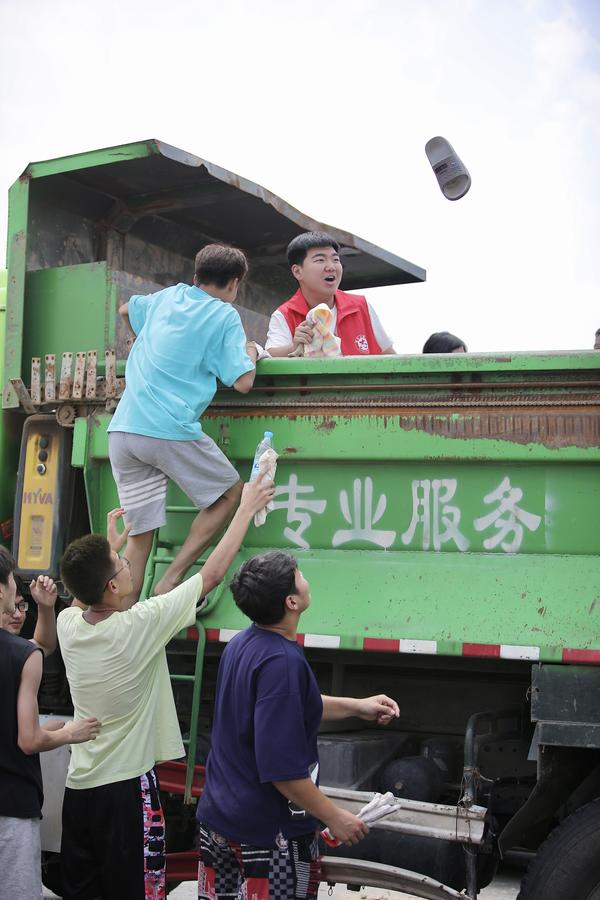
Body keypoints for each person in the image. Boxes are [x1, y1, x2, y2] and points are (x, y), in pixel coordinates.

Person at [56, 473, 274, 900]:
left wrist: (109, 551)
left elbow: (80, 597)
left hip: (78, 790)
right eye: (122, 565)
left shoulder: (69, 628)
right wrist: (246, 507)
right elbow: (210, 576)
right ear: (113, 586)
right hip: (125, 792)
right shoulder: (140, 625)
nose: (128, 564)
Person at [196, 550, 400, 900]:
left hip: (220, 820)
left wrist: (356, 707)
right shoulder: (282, 662)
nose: (305, 577)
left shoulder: (243, 644)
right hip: (266, 835)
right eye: (299, 574)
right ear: (292, 601)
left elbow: (287, 707)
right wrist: (335, 816)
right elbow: (283, 772)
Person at [107, 243, 259, 602]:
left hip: (123, 430)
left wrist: (138, 337)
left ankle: (121, 625)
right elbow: (243, 383)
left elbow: (125, 307)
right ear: (235, 284)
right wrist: (251, 352)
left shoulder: (169, 297)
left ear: (195, 277)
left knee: (139, 541)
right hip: (167, 431)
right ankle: (172, 579)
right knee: (230, 494)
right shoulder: (224, 316)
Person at [0, 547, 100, 900]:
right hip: (10, 807)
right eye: (12, 581)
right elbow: (28, 740)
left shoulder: (23, 653)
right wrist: (69, 733)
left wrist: (45, 607)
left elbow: (39, 645)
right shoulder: (20, 657)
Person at [265, 232, 395, 357]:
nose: (331, 267)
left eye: (335, 259)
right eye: (320, 260)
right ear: (297, 271)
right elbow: (270, 355)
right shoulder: (284, 314)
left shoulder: (361, 305)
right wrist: (294, 347)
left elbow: (389, 355)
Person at [0, 573, 57, 656]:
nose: (18, 615)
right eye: (10, 607)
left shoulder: (14, 649)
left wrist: (45, 606)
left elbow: (44, 645)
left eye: (21, 605)